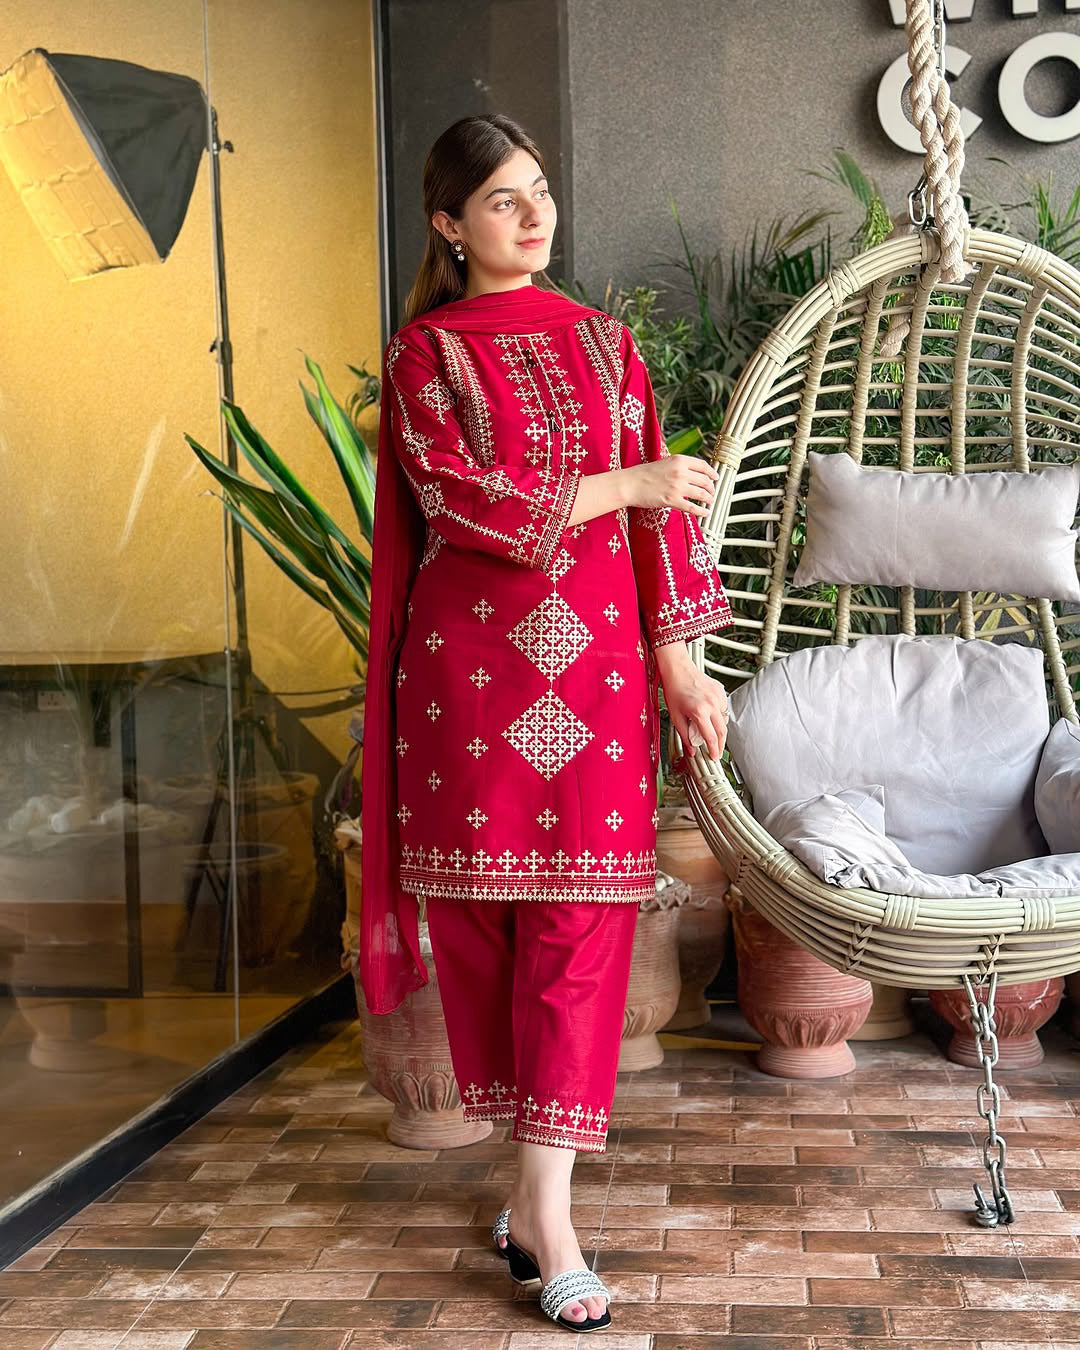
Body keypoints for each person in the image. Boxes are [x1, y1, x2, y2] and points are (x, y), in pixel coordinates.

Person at [360, 112, 733, 1332]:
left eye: (540, 191)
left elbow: (660, 524)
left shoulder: (607, 345)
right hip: (468, 677)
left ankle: (548, 1212)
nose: (534, 216)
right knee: (483, 932)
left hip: (600, 683)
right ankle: (534, 1204)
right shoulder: (425, 357)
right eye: (503, 200)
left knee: (582, 926)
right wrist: (627, 481)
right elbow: (462, 503)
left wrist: (680, 666)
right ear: (449, 224)